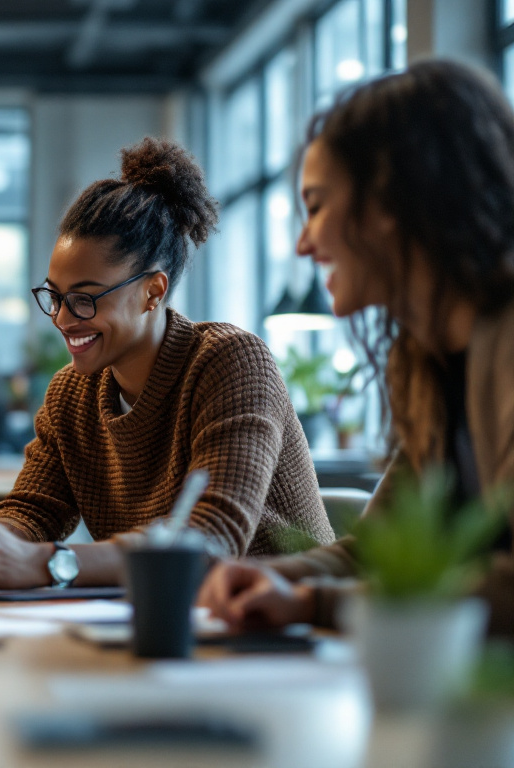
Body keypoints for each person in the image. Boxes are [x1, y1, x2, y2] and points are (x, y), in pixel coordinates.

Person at [0, 138, 335, 588]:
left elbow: (212, 538)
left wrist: (48, 564)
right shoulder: (72, 394)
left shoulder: (230, 363)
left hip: (286, 624)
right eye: (55, 297)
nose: (61, 318)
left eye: (84, 299)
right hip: (166, 621)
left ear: (153, 292)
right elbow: (33, 510)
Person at [198, 60, 514, 635]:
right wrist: (274, 578)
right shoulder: (425, 362)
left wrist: (316, 605)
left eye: (316, 206)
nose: (302, 243)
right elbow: (380, 550)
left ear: (391, 201)